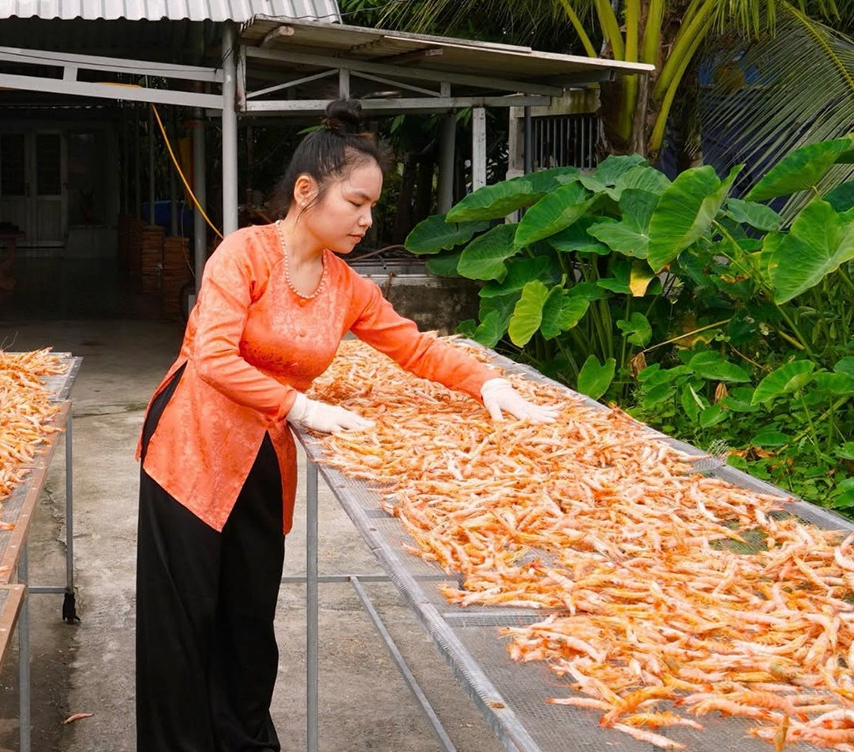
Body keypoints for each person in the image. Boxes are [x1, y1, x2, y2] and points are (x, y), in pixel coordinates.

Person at [134, 99, 557, 751]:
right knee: (183, 628)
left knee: (248, 628)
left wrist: (487, 381)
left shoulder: (344, 285)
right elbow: (212, 356)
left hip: (262, 461)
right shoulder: (244, 255)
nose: (367, 219)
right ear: (306, 191)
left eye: (371, 206)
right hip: (190, 451)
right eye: (356, 203)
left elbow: (410, 344)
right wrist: (300, 406)